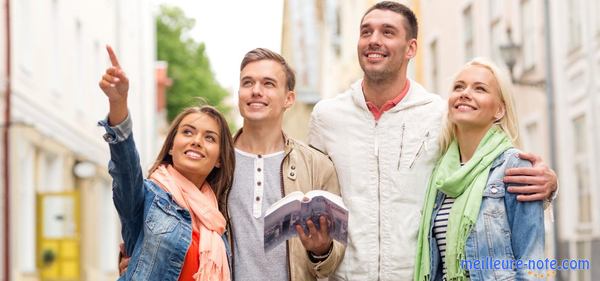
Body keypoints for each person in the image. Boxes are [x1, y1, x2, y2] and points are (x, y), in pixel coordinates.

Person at [308, 2, 557, 280]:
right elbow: (313, 197)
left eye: (387, 32)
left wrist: (548, 184)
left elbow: (479, 168)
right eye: (366, 32)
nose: (374, 40)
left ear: (411, 48)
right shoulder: (326, 117)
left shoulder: (441, 114)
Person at [98, 45, 235, 281]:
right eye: (188, 132)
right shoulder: (147, 197)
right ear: (172, 146)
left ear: (220, 159)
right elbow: (125, 168)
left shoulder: (218, 220)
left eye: (209, 138)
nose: (197, 141)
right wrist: (118, 104)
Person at [414, 58, 544, 281]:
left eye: (480, 89)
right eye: (458, 87)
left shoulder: (514, 167)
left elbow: (533, 265)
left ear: (499, 110)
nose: (465, 93)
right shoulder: (441, 175)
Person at [227, 48, 343, 281]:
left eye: (268, 84)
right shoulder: (217, 162)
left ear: (288, 98)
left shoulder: (317, 166)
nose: (256, 91)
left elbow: (334, 257)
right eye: (247, 83)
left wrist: (321, 249)